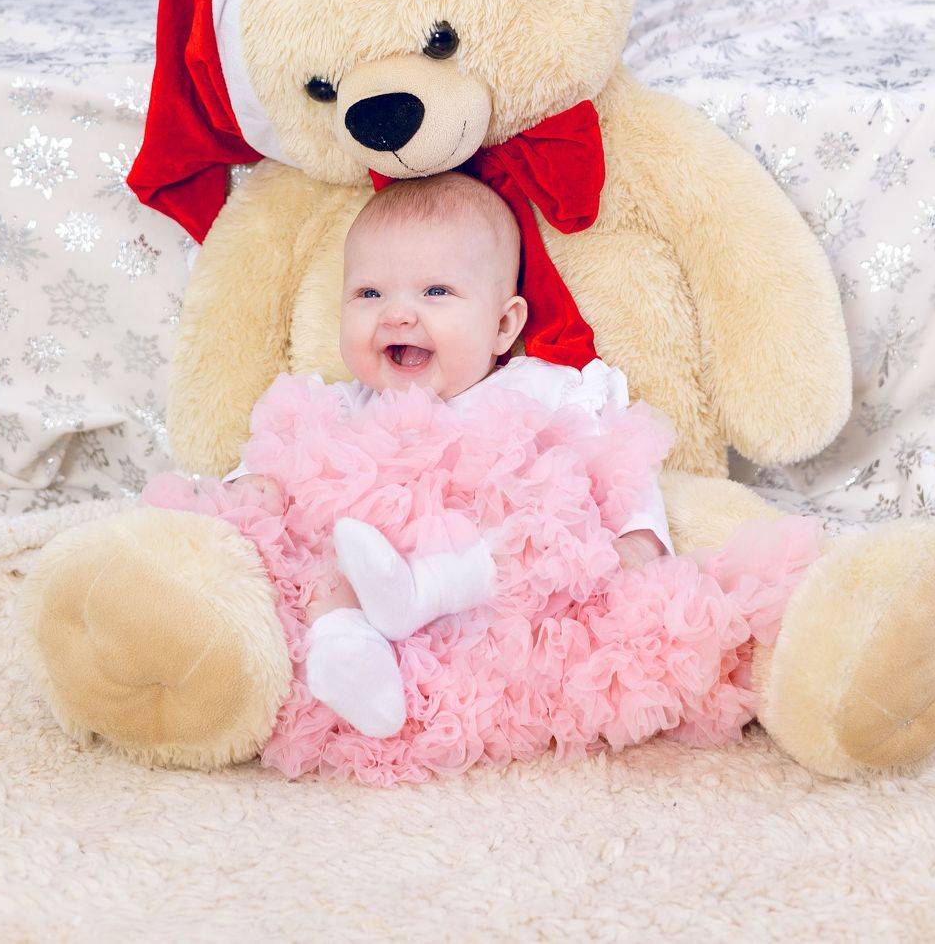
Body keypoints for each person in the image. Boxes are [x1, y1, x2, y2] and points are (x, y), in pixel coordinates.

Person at [223, 171, 673, 738]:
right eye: (368, 294)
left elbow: (617, 461)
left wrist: (642, 535)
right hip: (388, 642)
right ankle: (347, 649)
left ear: (503, 325)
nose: (397, 315)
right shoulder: (339, 407)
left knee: (543, 524)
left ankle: (419, 594)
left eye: (435, 292)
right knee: (317, 556)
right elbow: (278, 461)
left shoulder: (537, 392)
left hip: (492, 628)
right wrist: (249, 488)